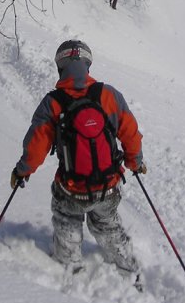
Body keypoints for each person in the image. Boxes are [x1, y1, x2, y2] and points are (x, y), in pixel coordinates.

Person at [11, 40, 146, 282]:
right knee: (108, 227)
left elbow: (36, 145)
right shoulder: (109, 95)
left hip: (71, 190)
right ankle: (128, 270)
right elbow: (130, 133)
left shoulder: (53, 102)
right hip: (108, 187)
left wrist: (22, 171)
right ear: (87, 64)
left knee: (67, 224)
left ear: (60, 67)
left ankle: (70, 269)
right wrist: (135, 162)